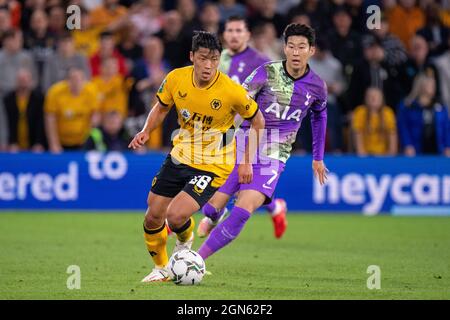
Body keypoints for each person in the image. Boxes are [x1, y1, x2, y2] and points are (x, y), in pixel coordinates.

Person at [128, 31, 265, 282]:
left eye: (214, 59)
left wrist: (245, 160)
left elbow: (258, 121)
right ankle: (161, 269)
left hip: (214, 164)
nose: (209, 65)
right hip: (180, 155)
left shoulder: (230, 90)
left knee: (176, 215)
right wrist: (146, 131)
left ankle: (184, 246)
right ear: (192, 57)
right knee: (153, 215)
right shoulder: (176, 79)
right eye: (203, 58)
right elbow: (161, 108)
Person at [197, 23, 328, 261]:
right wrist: (223, 140)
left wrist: (318, 157)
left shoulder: (317, 86)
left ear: (311, 50)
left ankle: (197, 259)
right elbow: (238, 107)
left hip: (273, 154)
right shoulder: (265, 72)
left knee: (242, 211)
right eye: (291, 46)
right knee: (210, 207)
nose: (296, 52)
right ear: (284, 49)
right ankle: (215, 214)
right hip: (243, 143)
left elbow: (319, 115)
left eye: (301, 47)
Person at [197, 15, 288, 240]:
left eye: (239, 31)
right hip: (223, 126)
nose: (234, 35)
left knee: (236, 173)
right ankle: (274, 207)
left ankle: (214, 212)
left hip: (250, 128)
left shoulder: (261, 61)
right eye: (230, 30)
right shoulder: (218, 59)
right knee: (222, 171)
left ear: (248, 35)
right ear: (224, 34)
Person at [44, 67, 100, 152]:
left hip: (82, 141)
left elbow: (95, 114)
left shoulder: (91, 91)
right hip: (61, 140)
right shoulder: (55, 92)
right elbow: (50, 119)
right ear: (67, 81)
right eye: (73, 79)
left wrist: (88, 137)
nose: (76, 83)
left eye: (79, 79)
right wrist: (54, 143)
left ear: (84, 81)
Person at [397, 73, 450, 156]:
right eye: (430, 85)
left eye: (434, 85)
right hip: (416, 150)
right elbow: (403, 128)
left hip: (438, 150)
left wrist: (448, 146)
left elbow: (447, 128)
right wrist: (408, 145)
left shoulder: (441, 106)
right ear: (421, 86)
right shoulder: (407, 106)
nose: (433, 87)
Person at [4, 68, 45, 152]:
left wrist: (39, 143)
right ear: (16, 81)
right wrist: (11, 142)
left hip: (34, 144)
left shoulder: (38, 99)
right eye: (20, 80)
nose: (23, 83)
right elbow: (6, 123)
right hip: (14, 145)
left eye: (25, 80)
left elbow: (41, 122)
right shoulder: (8, 99)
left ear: (31, 81)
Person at [352, 87, 398, 156]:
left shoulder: (388, 113)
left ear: (382, 99)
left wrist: (390, 155)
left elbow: (392, 135)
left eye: (376, 96)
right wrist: (362, 156)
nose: (373, 98)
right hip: (365, 155)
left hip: (384, 155)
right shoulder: (360, 112)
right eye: (370, 96)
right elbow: (358, 134)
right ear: (365, 98)